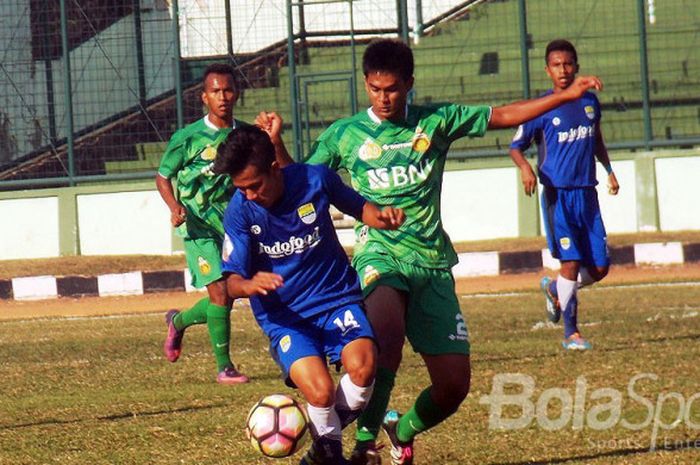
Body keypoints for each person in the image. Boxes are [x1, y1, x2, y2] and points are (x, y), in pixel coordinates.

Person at [259, 38, 604, 465]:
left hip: (433, 262)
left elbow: (502, 116)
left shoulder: (436, 122)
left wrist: (563, 96)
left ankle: (400, 430)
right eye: (374, 89)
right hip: (379, 254)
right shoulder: (345, 135)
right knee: (384, 335)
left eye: (392, 89)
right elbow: (302, 181)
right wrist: (275, 144)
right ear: (366, 84)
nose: (383, 99)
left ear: (409, 84)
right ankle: (361, 445)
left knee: (454, 386)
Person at [213, 125, 405, 465]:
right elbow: (231, 282)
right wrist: (250, 283)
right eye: (241, 189)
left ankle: (317, 436)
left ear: (274, 168)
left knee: (363, 369)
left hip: (336, 300)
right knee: (320, 392)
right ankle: (328, 451)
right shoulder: (239, 211)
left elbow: (360, 207)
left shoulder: (316, 180)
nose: (249, 195)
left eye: (254, 186)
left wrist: (382, 217)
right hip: (285, 318)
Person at [509, 39, 619, 351]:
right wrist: (525, 169)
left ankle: (555, 288)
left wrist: (609, 170)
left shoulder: (589, 103)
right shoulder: (542, 109)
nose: (563, 70)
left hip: (588, 195)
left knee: (599, 268)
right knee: (571, 262)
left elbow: (596, 139)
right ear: (547, 70)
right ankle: (571, 332)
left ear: (577, 67)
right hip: (558, 196)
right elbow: (515, 146)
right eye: (556, 65)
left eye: (568, 64)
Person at [156, 63, 250, 385]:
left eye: (227, 90)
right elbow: (162, 176)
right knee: (220, 294)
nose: (222, 97)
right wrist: (174, 206)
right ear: (204, 97)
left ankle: (178, 322)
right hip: (196, 225)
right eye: (215, 91)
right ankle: (225, 368)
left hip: (230, 225)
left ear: (235, 93)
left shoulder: (246, 135)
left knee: (227, 296)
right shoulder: (188, 138)